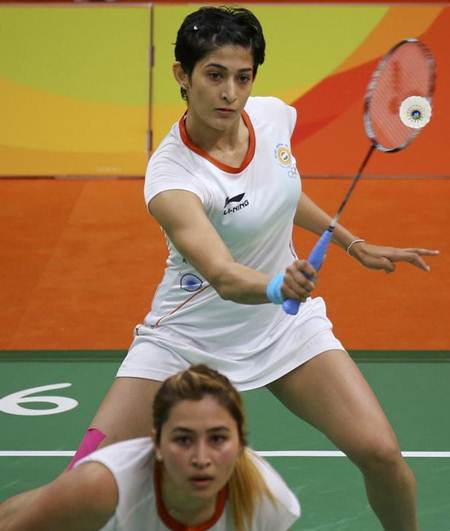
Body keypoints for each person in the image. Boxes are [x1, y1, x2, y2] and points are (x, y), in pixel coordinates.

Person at [67, 6, 438, 530]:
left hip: (283, 328)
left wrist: (353, 244)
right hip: (187, 335)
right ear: (182, 74)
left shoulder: (271, 116)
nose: (230, 93)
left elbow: (281, 190)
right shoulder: (172, 177)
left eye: (242, 77)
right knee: (81, 480)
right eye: (214, 75)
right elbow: (220, 273)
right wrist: (275, 284)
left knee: (383, 455)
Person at [0, 365, 300, 531]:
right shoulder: (101, 488)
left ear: (240, 444)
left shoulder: (268, 502)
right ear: (155, 443)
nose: (201, 459)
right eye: (183, 439)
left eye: (218, 438)